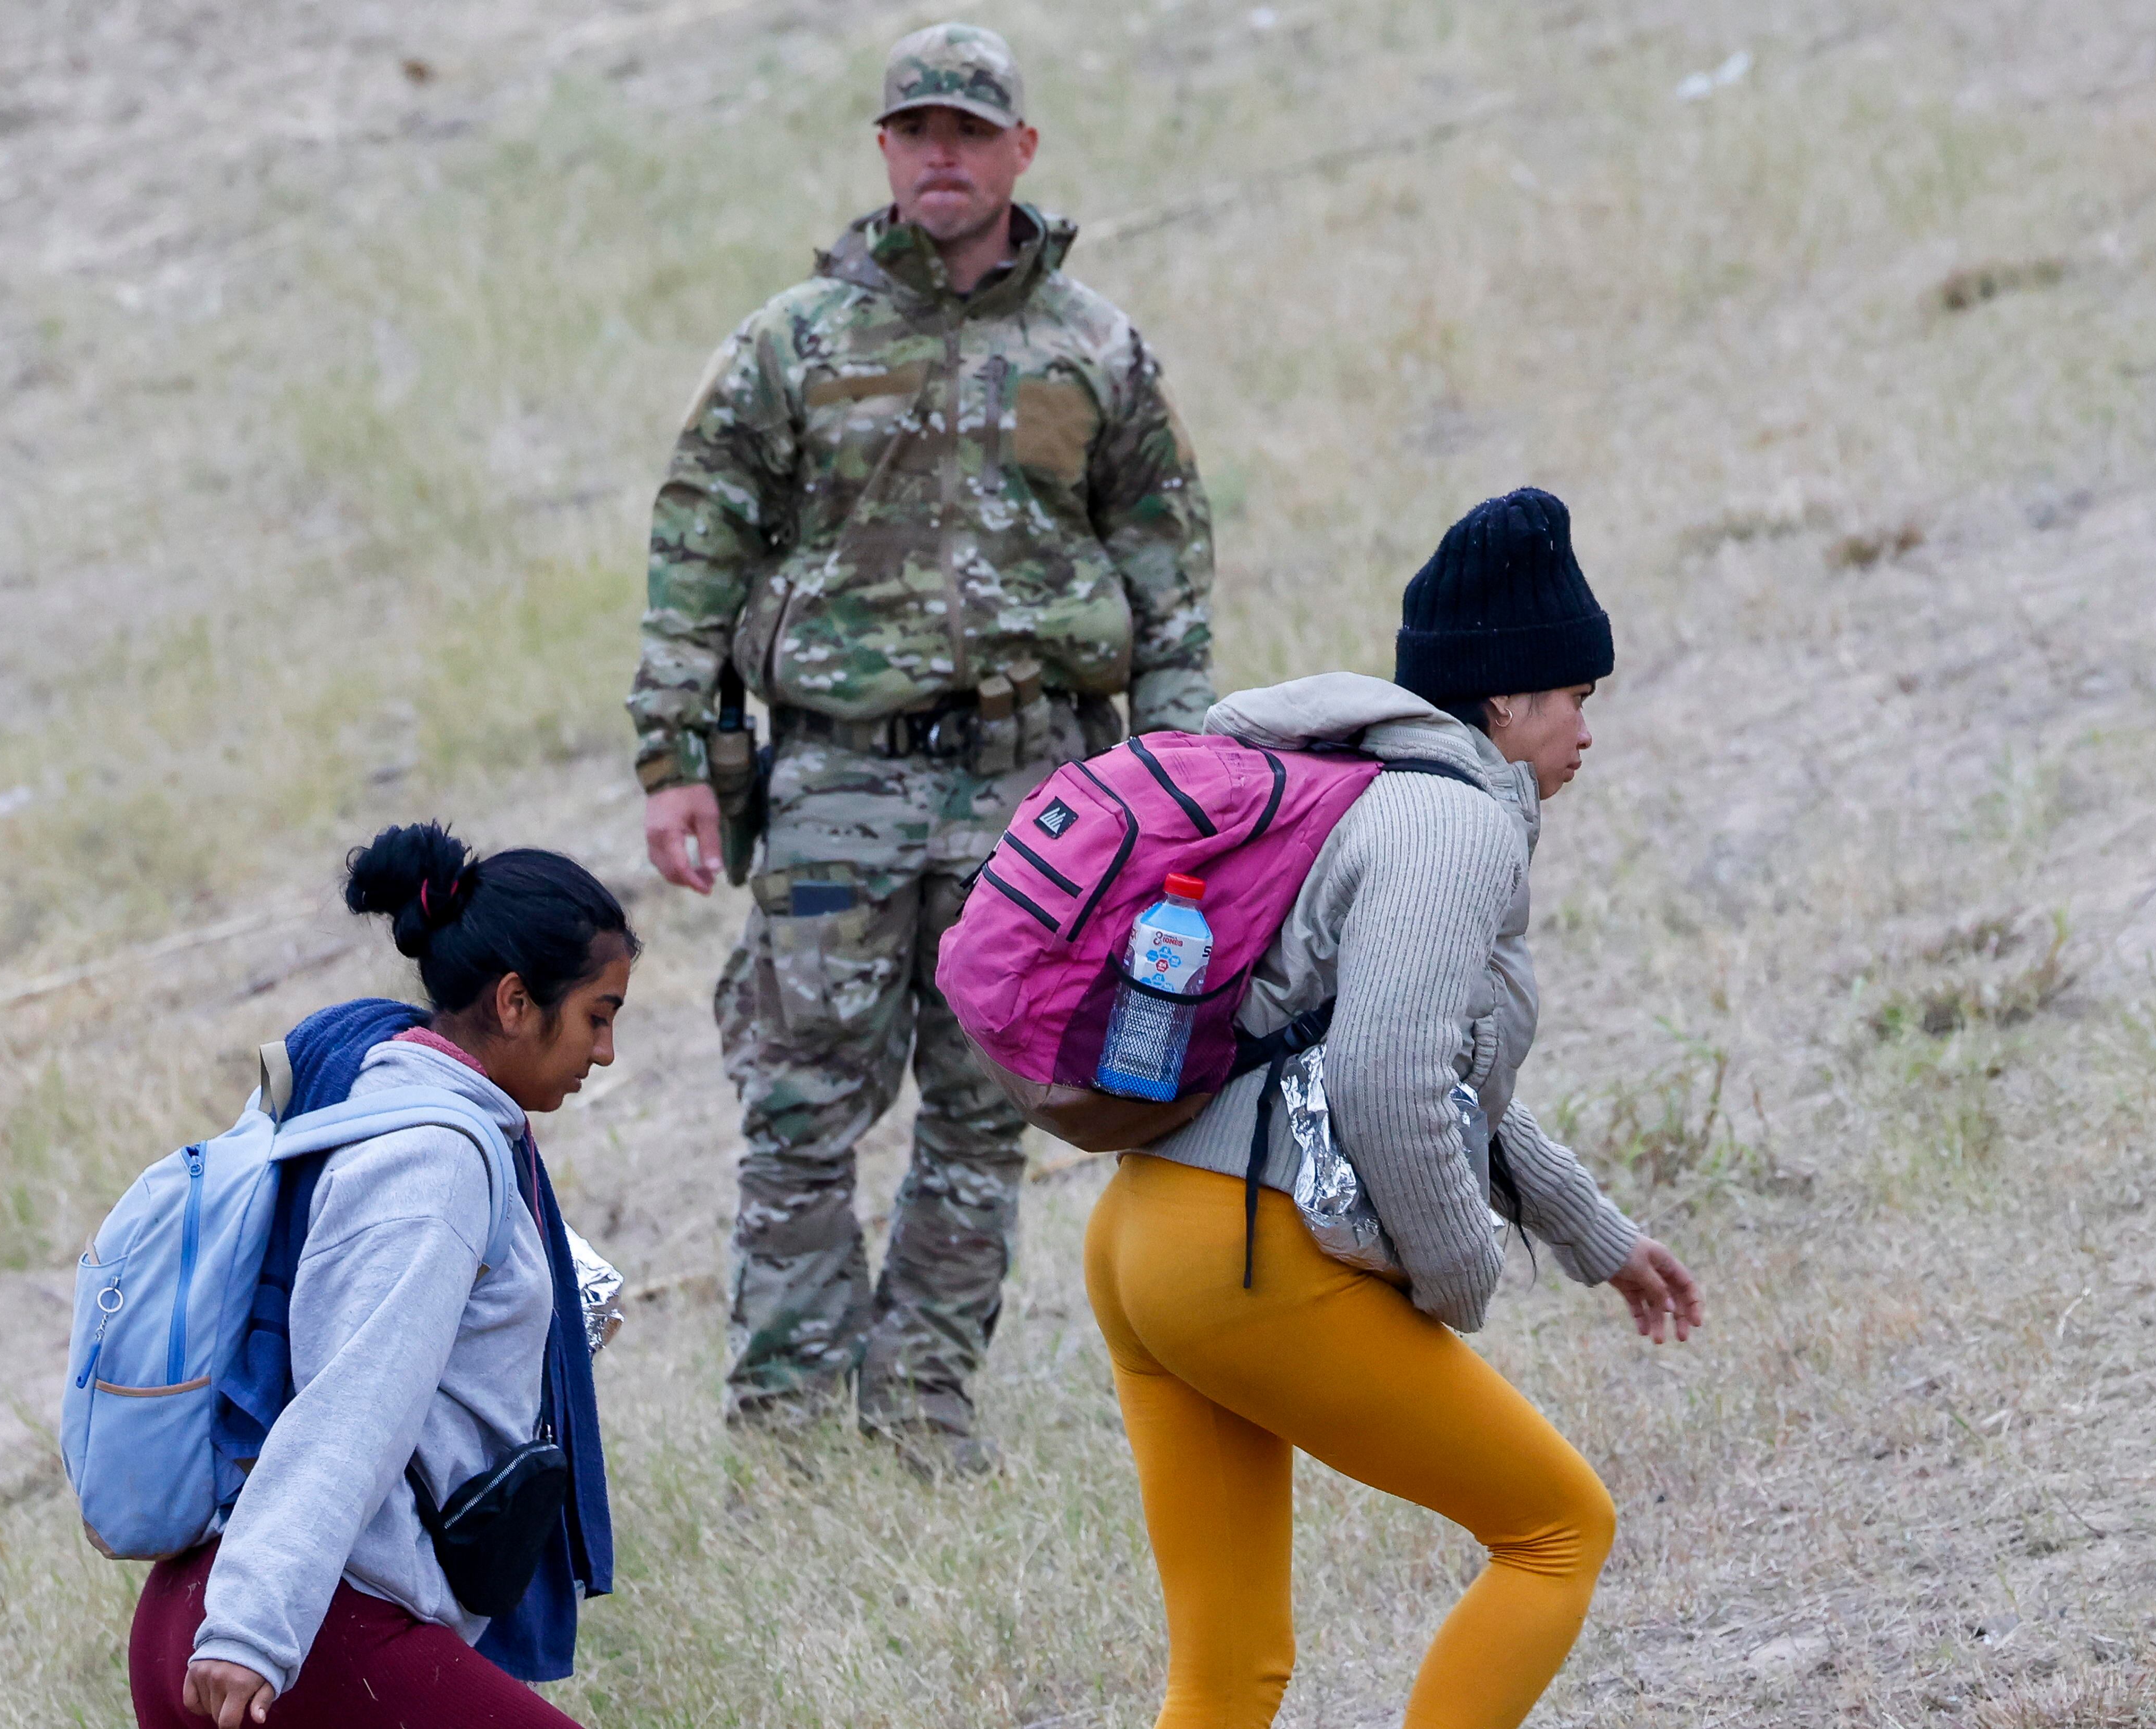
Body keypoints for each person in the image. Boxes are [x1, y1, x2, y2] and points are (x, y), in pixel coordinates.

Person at [628, 22, 1215, 1465]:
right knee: (798, 1104)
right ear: (884, 153)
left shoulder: (1095, 346)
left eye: (967, 130)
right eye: (913, 131)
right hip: (836, 779)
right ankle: (788, 1429)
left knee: (990, 1101)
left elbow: (1169, 582)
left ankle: (920, 1411)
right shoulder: (793, 343)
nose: (939, 154)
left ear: (1022, 151)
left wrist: (1182, 787)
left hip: (1041, 787)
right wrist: (674, 756)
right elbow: (696, 545)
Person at [1082, 489, 1706, 1729]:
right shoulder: (1451, 824)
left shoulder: (1361, 788)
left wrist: (1598, 1235)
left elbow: (1410, 1071)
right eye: (1576, 693)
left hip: (1144, 1237)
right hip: (1244, 1253)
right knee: (1556, 1528)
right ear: (1502, 699)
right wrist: (1458, 1273)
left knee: (1227, 1670)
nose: (1588, 724)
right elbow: (1385, 1077)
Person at [129, 823, 637, 1729]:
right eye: (599, 1015)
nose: (605, 1051)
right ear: (516, 1000)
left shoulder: (368, 1091)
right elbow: (353, 1403)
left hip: (217, 1605)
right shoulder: (431, 1161)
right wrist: (253, 1629)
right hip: (302, 1629)